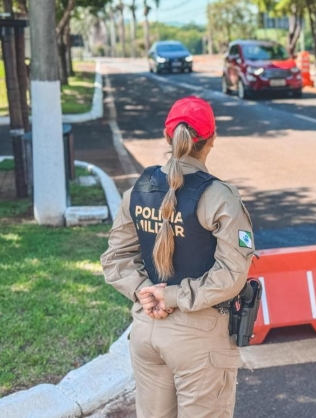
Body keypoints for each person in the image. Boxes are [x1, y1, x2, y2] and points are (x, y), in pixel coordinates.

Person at [101, 96, 255, 418]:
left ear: (167, 136)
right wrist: (170, 295)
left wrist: (146, 293)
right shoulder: (218, 197)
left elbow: (116, 259)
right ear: (211, 139)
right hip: (198, 337)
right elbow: (230, 275)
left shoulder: (138, 190)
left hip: (147, 330)